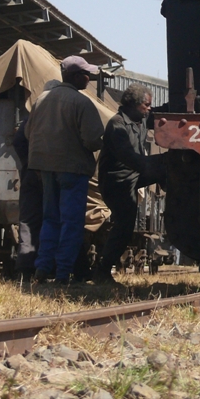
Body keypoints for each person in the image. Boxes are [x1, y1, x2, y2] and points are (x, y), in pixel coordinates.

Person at [25, 55, 105, 285]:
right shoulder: (81, 103)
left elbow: (29, 133)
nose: (89, 78)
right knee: (71, 222)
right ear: (75, 76)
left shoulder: (42, 100)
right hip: (72, 169)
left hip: (45, 169)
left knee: (50, 219)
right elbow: (93, 140)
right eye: (85, 74)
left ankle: (42, 270)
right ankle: (63, 274)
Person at [93, 83, 167, 284]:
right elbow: (130, 158)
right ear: (133, 105)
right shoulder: (117, 125)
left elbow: (162, 114)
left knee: (169, 164)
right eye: (146, 105)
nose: (149, 108)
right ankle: (103, 270)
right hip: (116, 182)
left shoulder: (140, 118)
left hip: (133, 175)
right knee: (124, 226)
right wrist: (156, 167)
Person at [11, 79, 63, 280]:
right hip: (51, 174)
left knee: (29, 219)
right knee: (55, 218)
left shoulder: (34, 113)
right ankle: (51, 265)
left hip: (31, 173)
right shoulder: (58, 116)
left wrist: (28, 163)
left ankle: (25, 266)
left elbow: (17, 141)